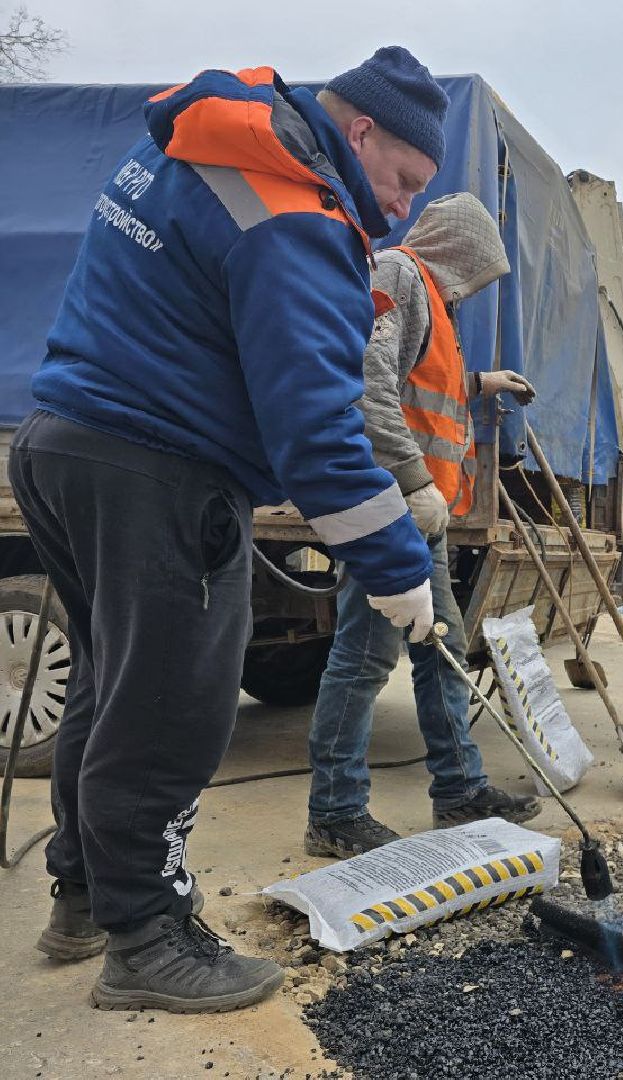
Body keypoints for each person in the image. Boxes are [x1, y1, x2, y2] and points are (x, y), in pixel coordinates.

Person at [8, 47, 450, 1012]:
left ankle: (86, 898)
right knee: (172, 710)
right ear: (361, 130)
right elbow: (315, 429)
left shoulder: (211, 138)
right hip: (158, 470)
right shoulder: (296, 212)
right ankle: (148, 940)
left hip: (63, 444)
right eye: (406, 180)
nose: (407, 207)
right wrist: (395, 565)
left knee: (109, 688)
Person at [305, 192, 541, 857]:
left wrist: (481, 382)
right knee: (364, 655)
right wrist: (411, 480)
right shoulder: (399, 274)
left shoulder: (435, 300)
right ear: (457, 250)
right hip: (387, 505)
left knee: (442, 648)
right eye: (476, 272)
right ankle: (334, 811)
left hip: (420, 514)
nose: (476, 288)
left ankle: (460, 790)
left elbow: (417, 385)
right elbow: (366, 381)